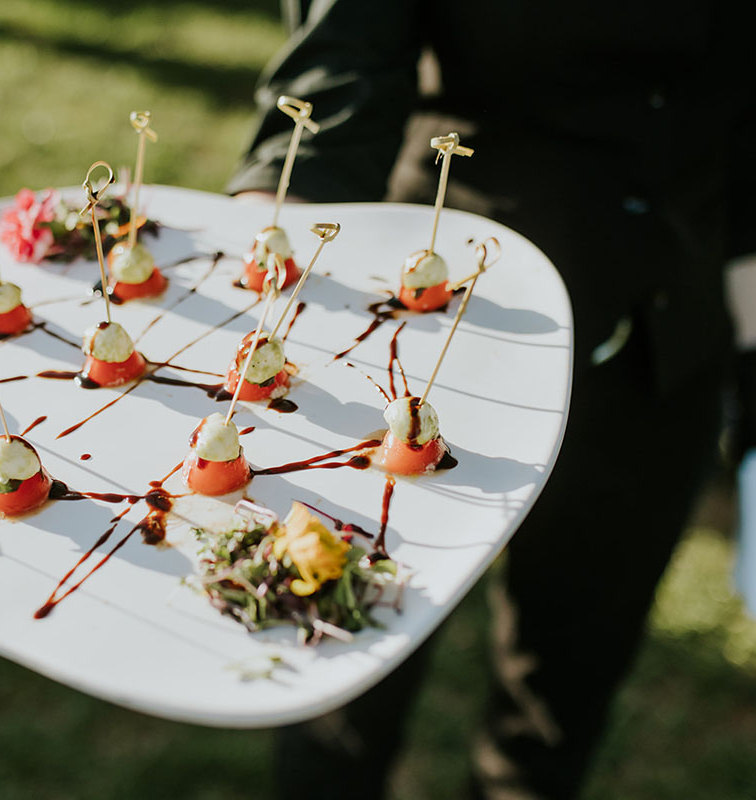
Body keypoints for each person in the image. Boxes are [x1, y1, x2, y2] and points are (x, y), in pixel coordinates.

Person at [228, 1, 754, 797]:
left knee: (557, 705)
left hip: (664, 340)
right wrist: (275, 241)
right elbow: (343, 63)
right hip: (438, 338)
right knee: (343, 666)